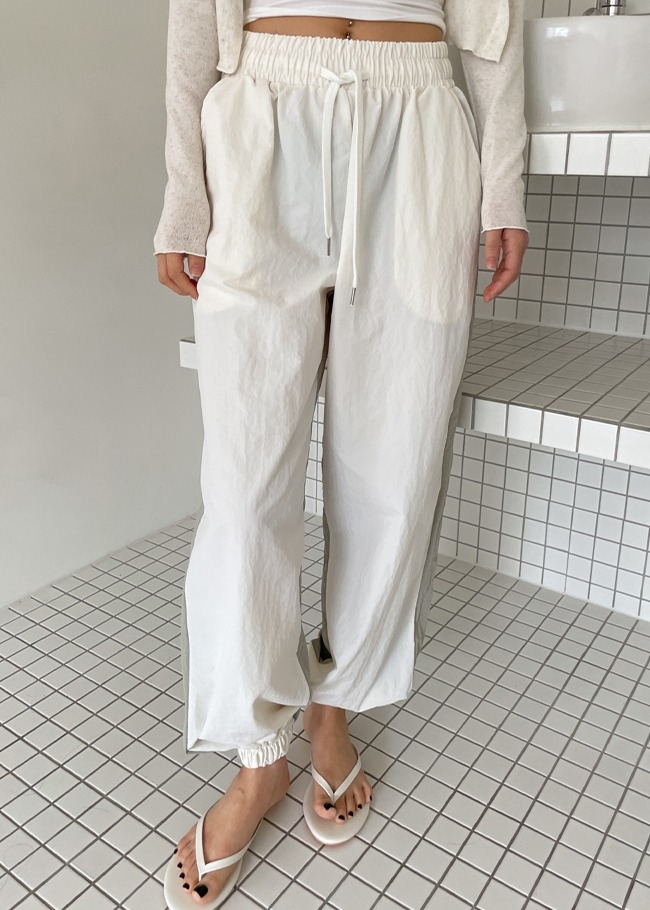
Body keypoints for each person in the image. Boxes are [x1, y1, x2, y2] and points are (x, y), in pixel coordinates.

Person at [154, 1, 529, 907]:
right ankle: (259, 760)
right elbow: (193, 23)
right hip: (264, 119)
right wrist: (183, 193)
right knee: (243, 489)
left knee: (394, 474)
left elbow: (496, 26)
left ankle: (333, 709)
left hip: (420, 130)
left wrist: (504, 185)